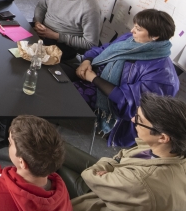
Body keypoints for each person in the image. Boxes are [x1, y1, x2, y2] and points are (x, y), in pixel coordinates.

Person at [70, 93, 186, 211]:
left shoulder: (142, 180)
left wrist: (111, 168)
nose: (132, 120)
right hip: (129, 189)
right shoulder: (183, 152)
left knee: (63, 161)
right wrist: (113, 169)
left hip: (109, 198)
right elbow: (121, 158)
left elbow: (90, 175)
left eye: (139, 119)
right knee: (64, 152)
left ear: (163, 138)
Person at [74, 9, 179, 147]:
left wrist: (93, 79)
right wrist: (87, 61)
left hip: (109, 100)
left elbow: (129, 103)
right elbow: (103, 50)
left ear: (155, 36)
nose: (132, 31)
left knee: (65, 96)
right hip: (92, 76)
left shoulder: (162, 74)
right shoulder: (130, 40)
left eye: (138, 29)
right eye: (134, 26)